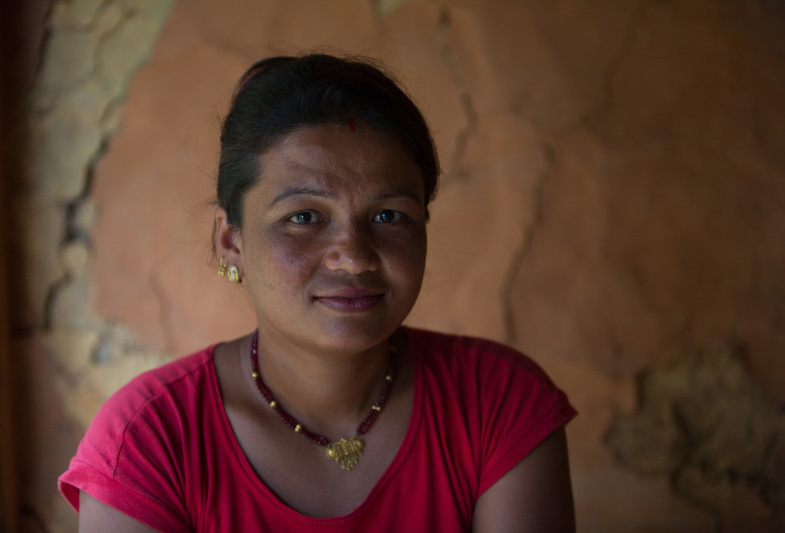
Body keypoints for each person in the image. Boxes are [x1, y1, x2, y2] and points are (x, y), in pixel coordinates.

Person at [59, 53, 577, 532]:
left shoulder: (499, 402)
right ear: (230, 239)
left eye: (389, 215)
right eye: (303, 217)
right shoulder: (149, 440)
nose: (353, 255)